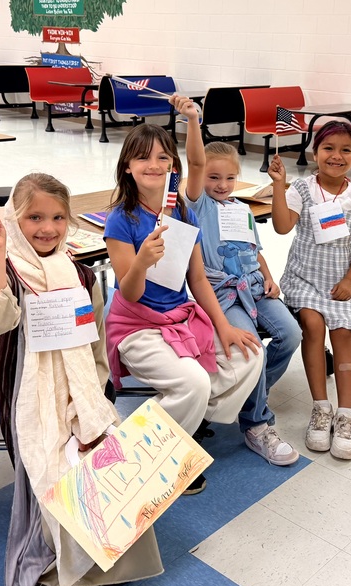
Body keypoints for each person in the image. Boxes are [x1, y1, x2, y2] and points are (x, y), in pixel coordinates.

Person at [0, 173, 163, 586]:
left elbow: (95, 342)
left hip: (82, 393)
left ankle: (88, 575)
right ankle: (55, 566)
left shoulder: (79, 273)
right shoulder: (9, 271)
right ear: (13, 219)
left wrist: (95, 397)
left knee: (92, 467)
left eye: (58, 217)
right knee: (47, 474)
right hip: (29, 396)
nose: (48, 228)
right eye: (34, 217)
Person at [103, 96, 263, 494]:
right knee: (193, 383)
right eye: (143, 158)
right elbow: (129, 292)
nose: (153, 165)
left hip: (179, 317)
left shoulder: (181, 212)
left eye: (161, 157)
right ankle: (141, 456)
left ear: (172, 166)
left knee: (249, 353)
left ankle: (182, 425)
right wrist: (140, 262)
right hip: (136, 326)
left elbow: (197, 278)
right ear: (128, 166)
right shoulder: (121, 219)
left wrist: (223, 325)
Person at [185, 138, 302, 466]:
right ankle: (256, 423)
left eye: (228, 178)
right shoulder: (199, 206)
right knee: (251, 347)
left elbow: (256, 250)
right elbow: (195, 172)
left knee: (290, 334)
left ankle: (248, 396)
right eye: (213, 177)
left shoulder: (242, 209)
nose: (221, 185)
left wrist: (269, 276)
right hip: (223, 293)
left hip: (255, 287)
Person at [268, 120, 351, 460]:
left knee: (343, 333)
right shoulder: (301, 189)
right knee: (312, 327)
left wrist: (348, 282)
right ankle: (321, 408)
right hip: (304, 280)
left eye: (346, 149)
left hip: (342, 282)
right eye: (328, 148)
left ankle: (346, 415)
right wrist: (279, 186)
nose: (336, 156)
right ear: (315, 152)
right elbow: (283, 227)